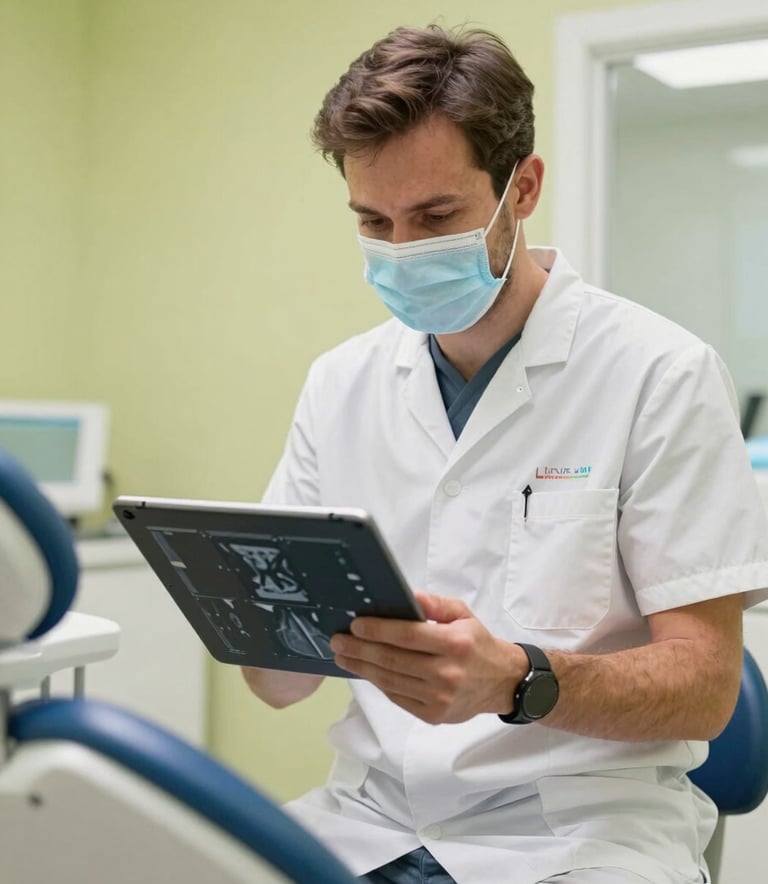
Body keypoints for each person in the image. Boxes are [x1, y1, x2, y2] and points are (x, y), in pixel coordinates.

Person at [242, 24, 768, 884]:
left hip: (581, 829)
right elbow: (279, 687)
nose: (403, 250)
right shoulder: (340, 382)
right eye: (374, 222)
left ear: (521, 188)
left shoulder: (659, 373)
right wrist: (248, 622)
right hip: (368, 817)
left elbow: (707, 687)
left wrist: (517, 681)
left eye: (437, 217)